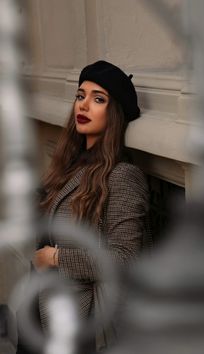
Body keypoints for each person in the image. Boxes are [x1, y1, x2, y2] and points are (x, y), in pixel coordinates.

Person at [16, 60, 152, 354]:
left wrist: (55, 257)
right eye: (81, 96)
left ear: (114, 113)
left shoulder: (122, 176)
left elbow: (124, 259)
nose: (84, 105)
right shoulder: (69, 165)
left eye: (98, 99)